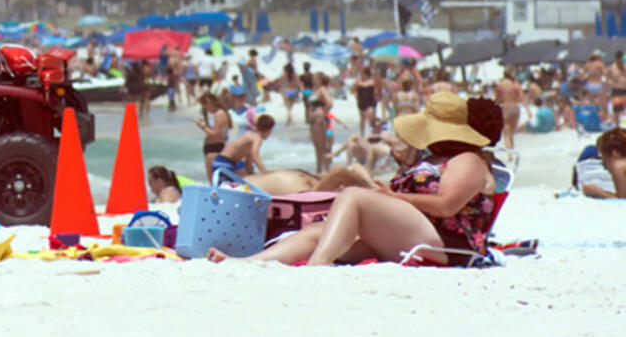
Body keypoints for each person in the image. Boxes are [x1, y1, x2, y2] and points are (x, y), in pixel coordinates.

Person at [208, 92, 502, 266]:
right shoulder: (434, 158)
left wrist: (393, 197)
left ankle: (315, 268)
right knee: (320, 232)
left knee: (353, 196)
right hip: (415, 235)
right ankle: (247, 264)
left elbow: (446, 206)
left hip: (449, 245)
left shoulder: (469, 161)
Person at [213, 113, 274, 179]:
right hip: (225, 164)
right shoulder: (257, 138)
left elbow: (248, 166)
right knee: (230, 187)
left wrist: (254, 176)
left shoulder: (250, 136)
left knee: (247, 181)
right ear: (268, 130)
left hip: (220, 162)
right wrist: (266, 173)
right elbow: (255, 155)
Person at [195, 93, 232, 178]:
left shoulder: (220, 113)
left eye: (206, 104)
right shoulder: (216, 114)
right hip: (212, 147)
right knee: (213, 175)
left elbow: (215, 134)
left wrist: (203, 127)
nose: (205, 107)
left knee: (213, 176)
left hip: (215, 148)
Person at [494, 67, 524, 149]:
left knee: (507, 134)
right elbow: (522, 98)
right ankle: (512, 150)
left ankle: (510, 155)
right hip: (515, 109)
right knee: (511, 133)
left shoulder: (500, 85)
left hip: (505, 109)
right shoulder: (516, 85)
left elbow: (495, 99)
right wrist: (528, 111)